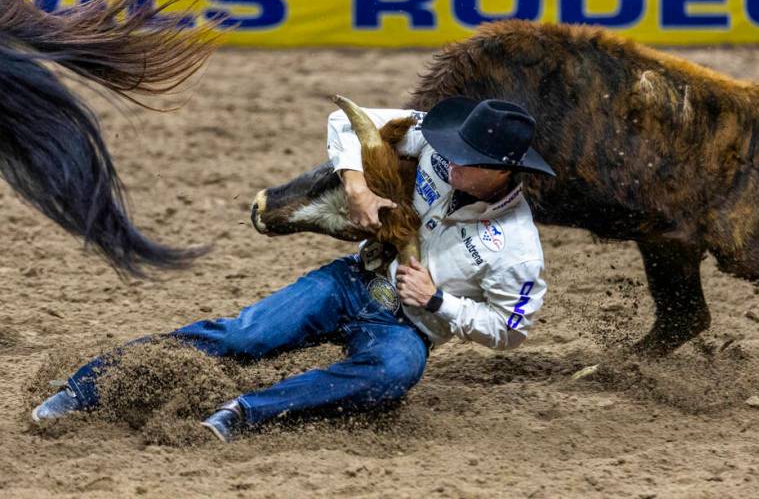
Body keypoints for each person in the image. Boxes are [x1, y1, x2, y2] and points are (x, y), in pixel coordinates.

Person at [31, 97, 556, 442]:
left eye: (466, 158)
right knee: (246, 334)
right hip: (354, 280)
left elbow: (512, 329)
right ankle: (85, 387)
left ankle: (245, 412)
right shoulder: (434, 143)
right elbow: (347, 122)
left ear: (504, 171)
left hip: (409, 326)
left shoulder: (517, 249)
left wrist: (439, 301)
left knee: (394, 372)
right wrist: (356, 187)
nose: (449, 159)